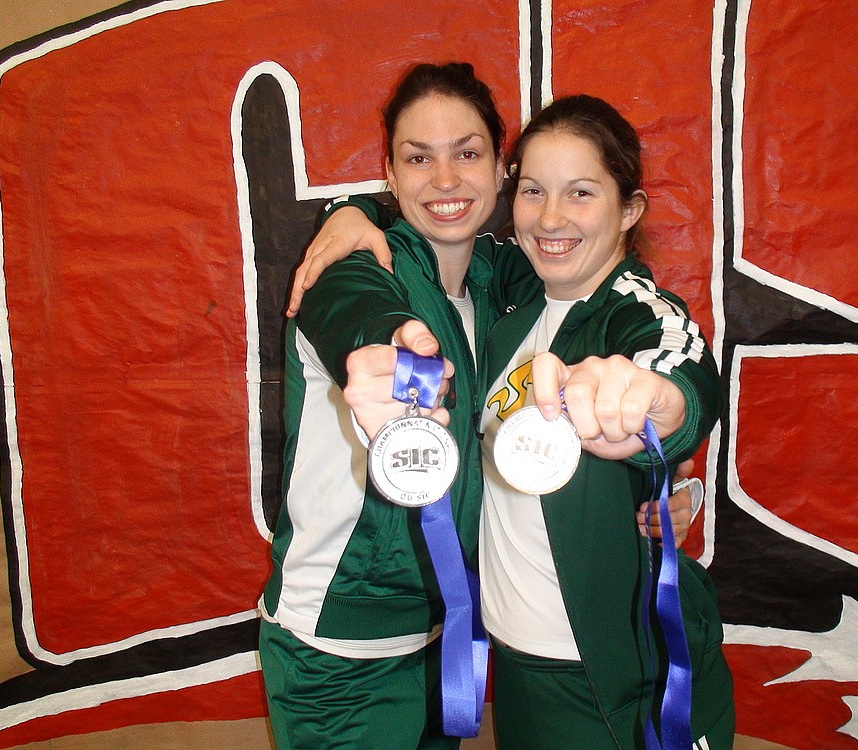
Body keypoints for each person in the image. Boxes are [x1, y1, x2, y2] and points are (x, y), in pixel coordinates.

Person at [296, 91, 733, 747]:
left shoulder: (636, 312)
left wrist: (659, 404)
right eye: (533, 191)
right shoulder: (513, 294)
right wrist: (348, 212)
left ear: (628, 210)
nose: (552, 218)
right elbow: (422, 223)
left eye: (581, 194)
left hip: (623, 667)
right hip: (519, 664)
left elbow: (683, 374)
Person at [258, 62, 507, 750]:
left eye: (467, 152)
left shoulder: (498, 285)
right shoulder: (353, 268)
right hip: (341, 651)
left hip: (445, 629)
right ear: (390, 177)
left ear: (499, 165)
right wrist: (389, 352)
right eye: (418, 158)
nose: (447, 178)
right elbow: (355, 312)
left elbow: (594, 255)